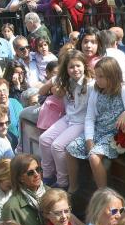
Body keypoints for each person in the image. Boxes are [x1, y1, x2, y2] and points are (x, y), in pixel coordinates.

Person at [66, 57, 125, 191]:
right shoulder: (96, 90)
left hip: (113, 136)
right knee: (70, 149)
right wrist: (89, 139)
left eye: (101, 77)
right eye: (96, 76)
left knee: (94, 157)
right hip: (98, 130)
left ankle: (103, 194)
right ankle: (73, 187)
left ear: (112, 76)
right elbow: (90, 117)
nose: (97, 80)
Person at [38, 50, 92, 189]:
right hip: (69, 117)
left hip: (81, 121)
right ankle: (48, 176)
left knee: (58, 146)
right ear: (66, 69)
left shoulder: (90, 84)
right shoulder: (65, 80)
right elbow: (41, 91)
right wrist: (52, 84)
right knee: (44, 139)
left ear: (84, 66)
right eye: (71, 67)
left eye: (78, 66)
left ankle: (63, 183)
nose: (75, 70)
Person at [0, 153, 47, 225]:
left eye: (38, 169)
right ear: (20, 178)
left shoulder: (51, 192)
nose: (37, 174)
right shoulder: (11, 208)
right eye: (30, 173)